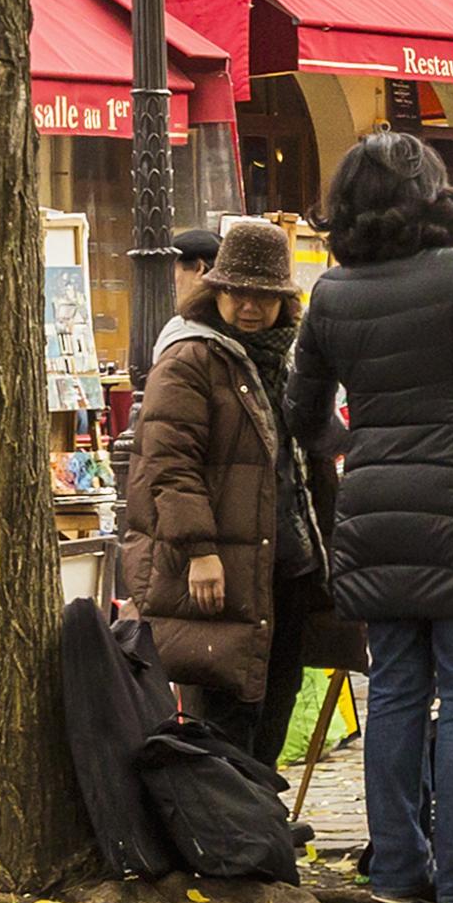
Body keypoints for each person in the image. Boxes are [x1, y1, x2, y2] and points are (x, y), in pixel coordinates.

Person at [280, 129, 453, 903]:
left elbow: (301, 411)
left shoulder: (332, 294)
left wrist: (359, 447)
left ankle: (396, 866)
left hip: (375, 508)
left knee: (394, 688)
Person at [118, 216, 304, 729]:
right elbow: (170, 464)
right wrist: (200, 551)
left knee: (273, 705)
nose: (249, 307)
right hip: (216, 565)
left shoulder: (282, 360)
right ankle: (229, 811)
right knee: (223, 712)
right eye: (237, 294)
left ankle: (260, 810)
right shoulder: (190, 358)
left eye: (263, 297)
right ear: (215, 291)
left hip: (276, 562)